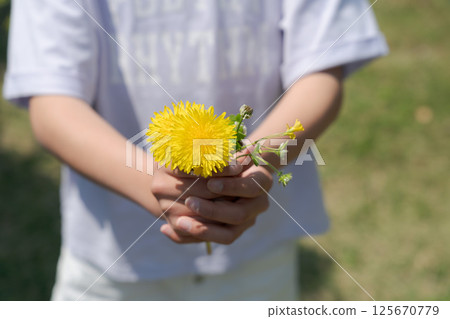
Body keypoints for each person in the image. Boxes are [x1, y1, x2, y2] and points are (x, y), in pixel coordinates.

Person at [3, 0, 388, 300]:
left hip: (258, 255)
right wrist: (152, 183)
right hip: (113, 264)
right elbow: (53, 104)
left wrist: (249, 166)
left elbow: (322, 72)